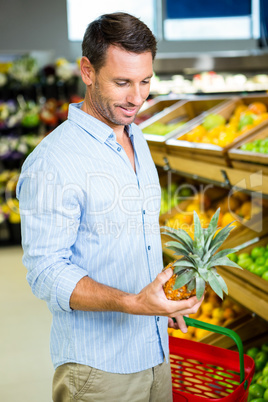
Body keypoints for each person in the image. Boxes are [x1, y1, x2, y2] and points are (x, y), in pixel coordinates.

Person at [17, 12, 203, 402]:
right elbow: (47, 273)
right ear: (87, 71)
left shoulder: (138, 137)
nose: (137, 97)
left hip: (156, 351)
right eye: (122, 82)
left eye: (145, 81)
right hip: (100, 371)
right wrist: (133, 303)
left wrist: (162, 299)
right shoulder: (53, 160)